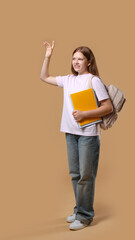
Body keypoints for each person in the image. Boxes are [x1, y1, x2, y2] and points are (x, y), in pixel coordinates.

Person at [40, 40, 113, 230]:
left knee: (86, 176)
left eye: (80, 59)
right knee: (75, 174)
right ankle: (79, 209)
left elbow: (108, 107)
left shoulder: (93, 80)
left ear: (89, 61)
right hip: (70, 134)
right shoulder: (68, 79)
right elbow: (44, 77)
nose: (76, 62)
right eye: (74, 58)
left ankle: (85, 216)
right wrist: (48, 56)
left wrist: (85, 114)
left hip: (88, 135)